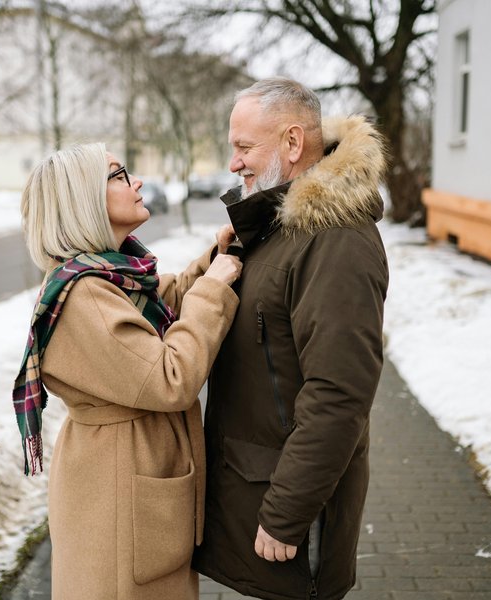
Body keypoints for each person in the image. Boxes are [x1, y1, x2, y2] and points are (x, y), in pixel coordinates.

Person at [12, 143, 242, 599]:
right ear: (83, 202)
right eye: (119, 175)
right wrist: (213, 291)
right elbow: (169, 379)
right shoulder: (84, 297)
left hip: (127, 470)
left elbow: (165, 301)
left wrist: (212, 262)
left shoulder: (107, 275)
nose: (136, 183)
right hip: (119, 484)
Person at [192, 77, 389, 600]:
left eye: (243, 147)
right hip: (254, 486)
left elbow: (338, 396)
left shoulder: (336, 243)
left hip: (290, 508)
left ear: (293, 143)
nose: (233, 163)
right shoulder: (283, 227)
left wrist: (285, 515)